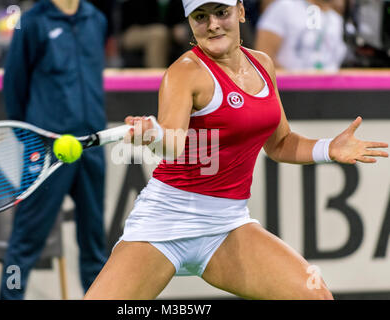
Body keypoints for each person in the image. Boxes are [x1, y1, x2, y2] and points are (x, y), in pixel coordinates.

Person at [83, 0, 388, 300]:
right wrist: (154, 134)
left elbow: (280, 144)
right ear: (190, 24)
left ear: (241, 11)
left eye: (221, 12)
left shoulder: (262, 64)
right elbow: (173, 145)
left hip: (227, 225)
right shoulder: (185, 72)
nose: (213, 24)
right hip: (167, 221)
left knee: (315, 296)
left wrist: (327, 148)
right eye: (200, 16)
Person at [0, 0, 108, 299]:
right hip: (46, 150)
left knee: (95, 243)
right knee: (25, 242)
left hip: (92, 146)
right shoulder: (29, 21)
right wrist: (31, 139)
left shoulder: (96, 18)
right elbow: (14, 85)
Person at [255, 0, 347, 70]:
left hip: (329, 89)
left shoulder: (336, 19)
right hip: (289, 90)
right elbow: (263, 57)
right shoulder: (284, 7)